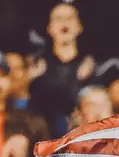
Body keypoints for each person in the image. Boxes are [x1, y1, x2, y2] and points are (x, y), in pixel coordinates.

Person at [31, 2, 94, 137]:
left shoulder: (92, 66)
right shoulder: (38, 66)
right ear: (49, 28)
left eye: (69, 18)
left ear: (79, 27)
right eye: (58, 19)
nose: (64, 23)